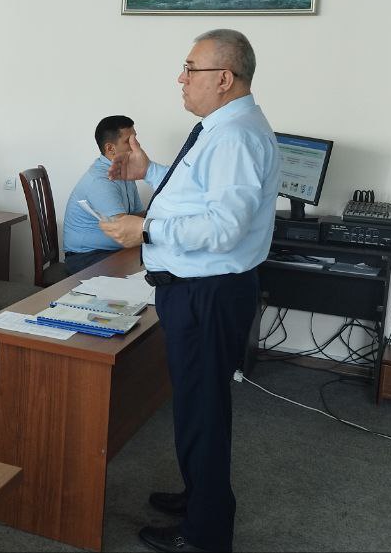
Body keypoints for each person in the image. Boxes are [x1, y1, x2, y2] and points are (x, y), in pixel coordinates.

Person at [99, 29, 280, 553]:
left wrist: (146, 230)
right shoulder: (222, 127)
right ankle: (199, 496)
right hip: (200, 291)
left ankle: (204, 533)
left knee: (203, 410)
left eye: (190, 68)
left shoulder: (235, 136)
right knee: (197, 405)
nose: (180, 78)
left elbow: (223, 226)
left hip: (208, 294)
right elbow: (199, 192)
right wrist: (149, 171)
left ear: (223, 78)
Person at [61, 115, 145, 274]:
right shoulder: (100, 181)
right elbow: (125, 229)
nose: (137, 145)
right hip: (86, 256)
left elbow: (138, 216)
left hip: (112, 250)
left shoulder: (124, 170)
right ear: (110, 148)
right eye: (129, 141)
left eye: (136, 138)